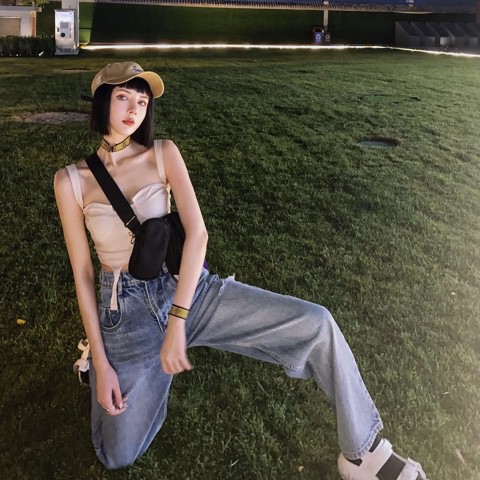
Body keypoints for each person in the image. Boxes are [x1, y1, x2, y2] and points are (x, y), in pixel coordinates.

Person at [54, 62, 427, 480]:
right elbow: (83, 274)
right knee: (116, 453)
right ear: (102, 100)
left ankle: (363, 452)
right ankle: (96, 359)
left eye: (142, 101)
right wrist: (104, 362)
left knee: (317, 323)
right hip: (126, 313)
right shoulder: (71, 180)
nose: (134, 110)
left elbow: (197, 235)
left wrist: (177, 322)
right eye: (123, 97)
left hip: (190, 289)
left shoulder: (163, 153)